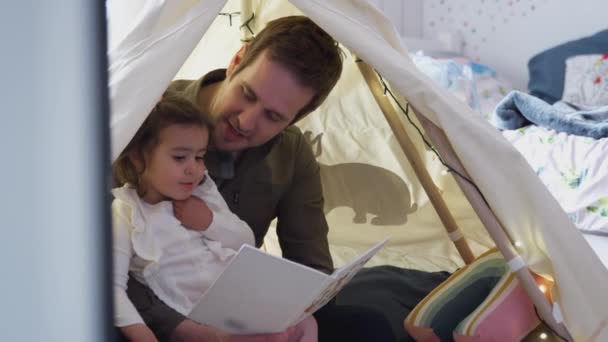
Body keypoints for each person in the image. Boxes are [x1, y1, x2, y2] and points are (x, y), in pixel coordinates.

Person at [125, 15, 397, 342]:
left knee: (370, 328)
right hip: (154, 315)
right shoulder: (148, 117)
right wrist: (196, 334)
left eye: (273, 116)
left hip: (240, 315)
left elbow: (311, 267)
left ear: (296, 119)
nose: (245, 121)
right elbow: (97, 263)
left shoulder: (292, 154)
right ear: (237, 61)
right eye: (247, 94)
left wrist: (288, 319)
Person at [113, 96, 318, 342]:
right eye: (180, 158)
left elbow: (246, 241)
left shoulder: (202, 192)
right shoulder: (127, 212)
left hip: (244, 295)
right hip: (200, 319)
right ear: (137, 157)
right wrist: (142, 334)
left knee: (305, 321)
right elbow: (113, 287)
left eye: (199, 157)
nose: (194, 169)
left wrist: (209, 221)